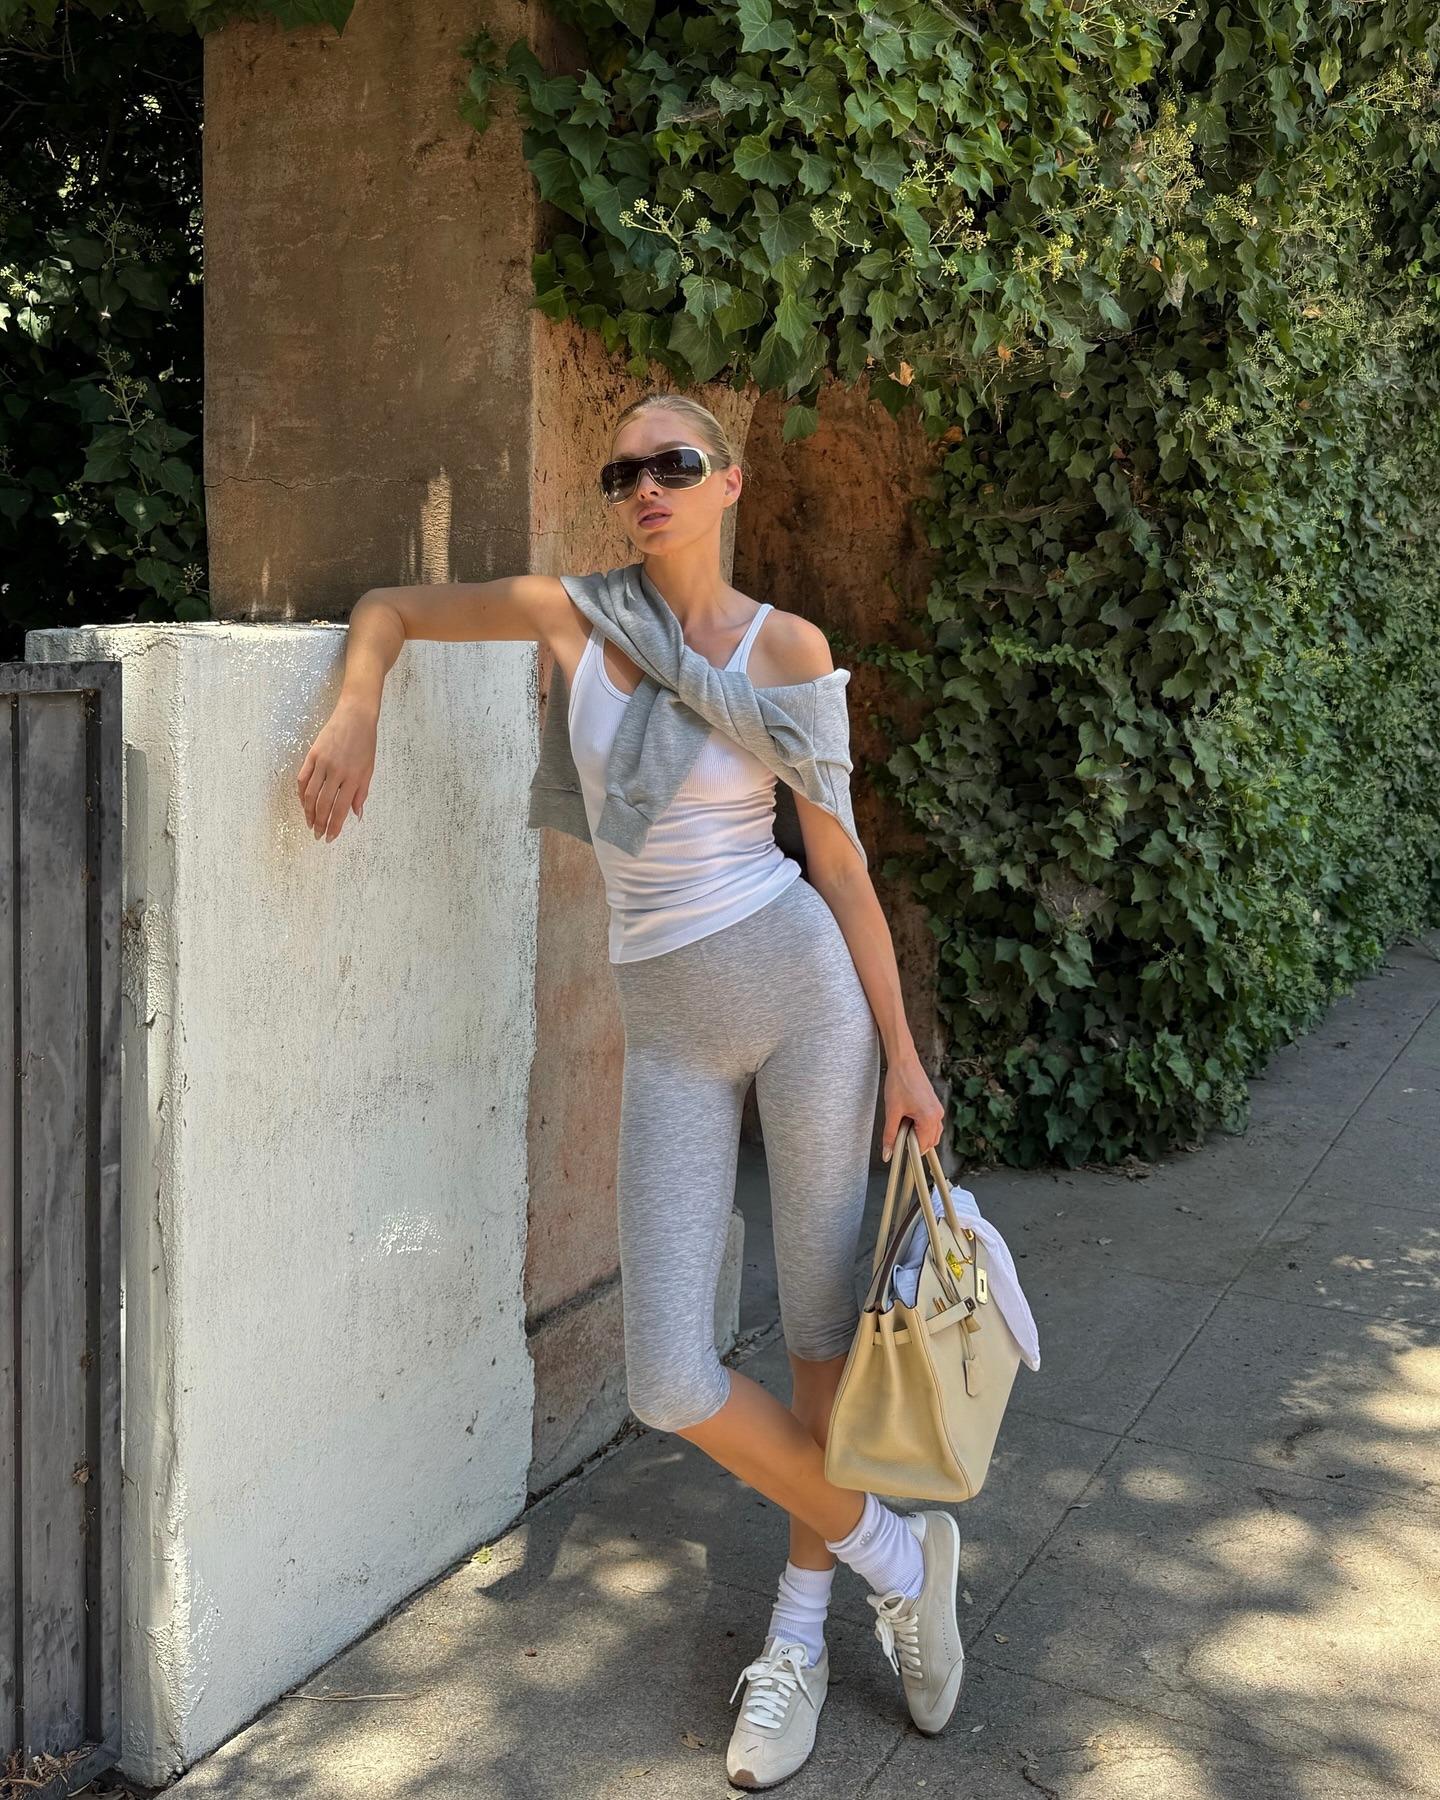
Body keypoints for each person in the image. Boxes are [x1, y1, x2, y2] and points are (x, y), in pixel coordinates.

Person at [296, 391, 964, 1790]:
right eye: (625, 471)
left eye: (674, 465)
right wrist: (357, 705)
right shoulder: (573, 616)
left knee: (823, 1334)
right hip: (665, 1026)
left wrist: (905, 1058)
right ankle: (902, 1557)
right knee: (669, 1375)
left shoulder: (788, 648)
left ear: (729, 482)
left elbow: (837, 866)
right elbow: (388, 609)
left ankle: (797, 1634)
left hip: (806, 1005)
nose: (645, 487)